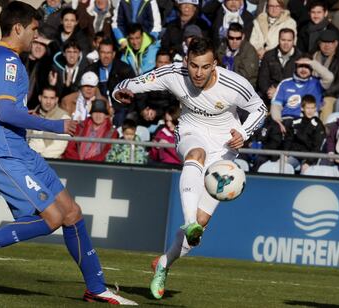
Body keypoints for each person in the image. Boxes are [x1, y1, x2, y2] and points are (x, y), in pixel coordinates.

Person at [0, 2, 137, 305]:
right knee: (51, 218)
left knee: (71, 213)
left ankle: (96, 287)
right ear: (18, 29)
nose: (37, 36)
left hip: (20, 150)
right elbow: (9, 113)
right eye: (34, 29)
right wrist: (56, 125)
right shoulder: (9, 62)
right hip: (4, 153)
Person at [113, 37, 267, 299]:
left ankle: (164, 263)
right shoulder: (174, 74)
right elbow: (136, 83)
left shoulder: (233, 84)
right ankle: (188, 222)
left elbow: (259, 109)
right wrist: (120, 90)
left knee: (200, 227)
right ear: (186, 62)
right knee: (196, 155)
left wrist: (244, 132)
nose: (198, 73)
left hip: (225, 146)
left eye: (205, 67)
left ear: (214, 64)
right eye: (194, 65)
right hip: (191, 132)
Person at [270, 54, 334, 134]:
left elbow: (329, 77)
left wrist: (313, 63)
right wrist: (278, 121)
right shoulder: (285, 83)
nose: (303, 69)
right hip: (287, 121)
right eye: (301, 66)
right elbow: (276, 105)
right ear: (296, 67)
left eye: (307, 66)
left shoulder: (317, 83)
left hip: (308, 122)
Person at [85, 37, 136, 127]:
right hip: (97, 108)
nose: (106, 56)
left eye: (108, 53)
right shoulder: (91, 70)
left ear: (113, 54)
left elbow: (131, 94)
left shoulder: (124, 69)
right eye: (103, 52)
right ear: (98, 53)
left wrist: (114, 108)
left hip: (120, 108)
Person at [257, 28, 301, 106]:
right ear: (278, 40)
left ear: (293, 41)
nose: (286, 43)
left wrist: (278, 93)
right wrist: (269, 91)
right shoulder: (269, 56)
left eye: (289, 40)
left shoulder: (300, 58)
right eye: (283, 40)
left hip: (291, 97)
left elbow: (299, 82)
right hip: (270, 95)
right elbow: (263, 79)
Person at [283, 94, 326, 173]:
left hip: (308, 157)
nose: (310, 111)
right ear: (302, 108)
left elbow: (317, 147)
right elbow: (288, 139)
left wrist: (308, 162)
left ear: (315, 108)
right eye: (308, 108)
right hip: (294, 155)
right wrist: (285, 154)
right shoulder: (295, 122)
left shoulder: (317, 125)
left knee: (305, 171)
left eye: (312, 108)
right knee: (283, 166)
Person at [312, 29, 339, 122]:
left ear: (335, 43)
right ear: (319, 43)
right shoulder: (313, 56)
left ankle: (324, 132)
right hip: (311, 91)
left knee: (325, 104)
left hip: (333, 94)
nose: (326, 46)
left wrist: (322, 94)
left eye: (330, 43)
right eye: (323, 42)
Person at [28, 86, 71, 159]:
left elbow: (59, 147)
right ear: (40, 98)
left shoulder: (64, 118)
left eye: (52, 98)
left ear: (56, 100)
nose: (48, 102)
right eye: (45, 97)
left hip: (53, 161)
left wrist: (40, 157)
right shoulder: (30, 115)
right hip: (30, 160)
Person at [217, 22, 259, 87]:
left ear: (243, 37)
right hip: (223, 83)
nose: (234, 41)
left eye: (238, 38)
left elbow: (243, 76)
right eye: (231, 38)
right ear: (227, 36)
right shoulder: (222, 47)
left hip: (244, 86)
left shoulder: (250, 52)